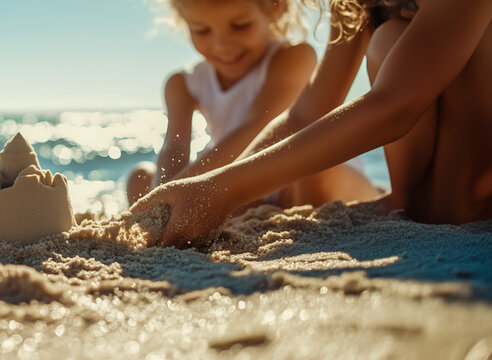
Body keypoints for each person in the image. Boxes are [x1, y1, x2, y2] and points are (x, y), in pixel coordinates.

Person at [131, 0, 492, 248]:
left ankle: (450, 205)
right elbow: (305, 115)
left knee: (389, 41)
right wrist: (213, 189)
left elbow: (395, 104)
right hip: (424, 202)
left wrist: (223, 190)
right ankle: (412, 202)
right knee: (388, 38)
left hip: (474, 192)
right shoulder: (357, 3)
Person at [126, 0, 379, 209]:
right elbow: (175, 145)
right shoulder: (182, 84)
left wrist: (182, 191)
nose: (221, 44)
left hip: (304, 177)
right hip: (237, 184)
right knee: (140, 177)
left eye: (240, 25)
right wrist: (162, 195)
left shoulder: (292, 57)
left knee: (310, 170)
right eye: (202, 30)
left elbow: (255, 126)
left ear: (274, 8)